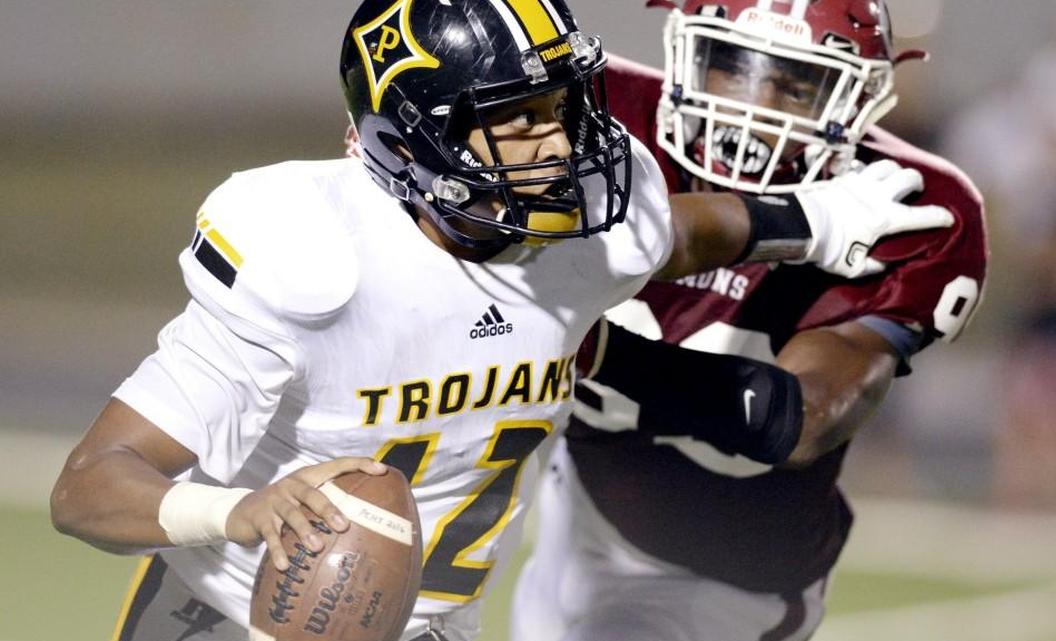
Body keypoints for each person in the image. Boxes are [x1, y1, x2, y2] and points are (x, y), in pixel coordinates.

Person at [49, 1, 951, 641]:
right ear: (414, 149)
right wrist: (237, 509)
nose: (558, 145)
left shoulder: (585, 227)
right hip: (239, 617)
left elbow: (673, 232)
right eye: (516, 121)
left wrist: (816, 220)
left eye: (560, 106)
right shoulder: (312, 262)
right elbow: (89, 485)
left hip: (435, 621)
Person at [512, 1, 989, 641]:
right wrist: (800, 224)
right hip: (578, 506)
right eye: (729, 66)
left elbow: (803, 420)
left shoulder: (911, 205)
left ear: (855, 102)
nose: (752, 106)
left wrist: (592, 352)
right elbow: (650, 239)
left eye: (796, 84)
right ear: (685, 55)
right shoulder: (598, 112)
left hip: (726, 580)